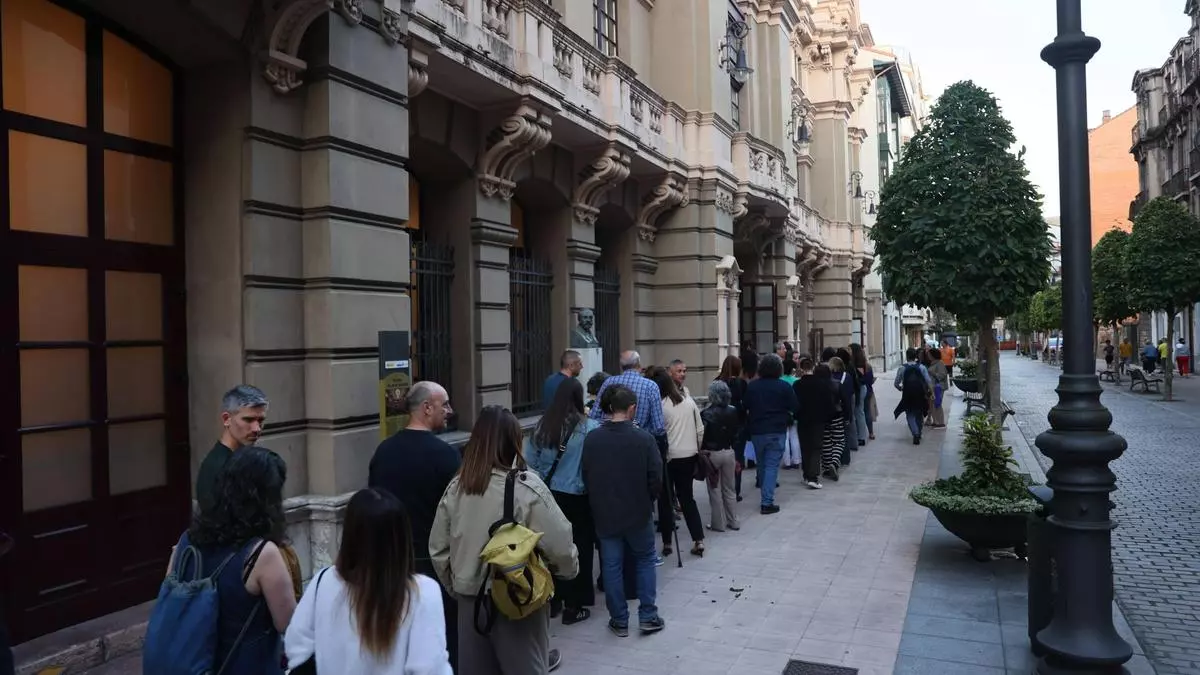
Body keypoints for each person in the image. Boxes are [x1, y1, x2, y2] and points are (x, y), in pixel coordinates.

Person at [429, 406, 578, 675]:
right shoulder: (526, 487)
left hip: (471, 601)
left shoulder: (457, 488)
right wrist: (566, 572)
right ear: (514, 441)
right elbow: (560, 544)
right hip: (519, 597)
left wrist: (459, 586)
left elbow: (439, 548)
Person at [285, 489, 452, 674]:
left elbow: (296, 645)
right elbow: (429, 668)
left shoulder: (323, 581)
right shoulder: (422, 593)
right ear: (401, 538)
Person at [168, 449, 297, 675]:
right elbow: (287, 622)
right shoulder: (262, 554)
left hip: (192, 664)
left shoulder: (186, 541)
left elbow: (169, 594)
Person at [368, 381, 461, 671]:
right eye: (445, 404)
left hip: (389, 564)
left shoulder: (383, 452)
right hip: (433, 566)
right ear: (427, 407)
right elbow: (458, 515)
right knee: (439, 641)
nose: (450, 411)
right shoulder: (446, 456)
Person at [582, 384, 667, 638]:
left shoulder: (593, 439)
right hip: (638, 510)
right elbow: (656, 477)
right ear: (632, 409)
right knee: (645, 560)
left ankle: (619, 619)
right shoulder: (644, 439)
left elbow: (586, 475)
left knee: (611, 566)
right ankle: (648, 615)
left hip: (605, 512)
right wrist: (648, 499)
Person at [524, 378, 600, 625]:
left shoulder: (543, 426)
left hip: (548, 495)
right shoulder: (590, 427)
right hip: (579, 496)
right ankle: (575, 605)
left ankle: (553, 597)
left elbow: (530, 460)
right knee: (580, 548)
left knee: (549, 548)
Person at [648, 367, 705, 557]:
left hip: (669, 457)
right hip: (688, 455)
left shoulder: (660, 406)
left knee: (665, 501)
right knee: (687, 498)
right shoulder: (688, 401)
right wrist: (696, 448)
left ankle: (667, 542)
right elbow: (700, 429)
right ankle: (698, 539)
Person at [196, 385, 269, 515]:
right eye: (248, 420)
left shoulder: (244, 459)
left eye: (260, 420)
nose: (257, 428)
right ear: (226, 419)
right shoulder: (218, 468)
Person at [742, 354, 798, 514]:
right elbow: (795, 407)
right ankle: (766, 501)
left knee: (761, 463)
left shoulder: (753, 386)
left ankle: (763, 486)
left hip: (757, 430)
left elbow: (745, 406)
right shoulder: (784, 387)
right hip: (776, 429)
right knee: (772, 465)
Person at [700, 381, 741, 531]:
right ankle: (733, 521)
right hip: (729, 452)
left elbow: (702, 435)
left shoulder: (706, 413)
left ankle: (718, 524)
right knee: (730, 489)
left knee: (714, 489)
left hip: (712, 454)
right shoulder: (733, 410)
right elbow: (736, 433)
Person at [793, 357, 833, 489]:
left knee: (805, 447)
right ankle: (813, 476)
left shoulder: (797, 385)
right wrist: (828, 417)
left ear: (801, 369)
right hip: (818, 419)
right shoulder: (822, 384)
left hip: (803, 419)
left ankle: (806, 474)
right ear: (813, 368)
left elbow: (794, 403)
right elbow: (828, 402)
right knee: (816, 447)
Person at [715, 355, 748, 502]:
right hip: (738, 425)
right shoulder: (741, 384)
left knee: (720, 458)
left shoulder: (717, 382)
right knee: (737, 459)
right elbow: (745, 405)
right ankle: (735, 490)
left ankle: (722, 488)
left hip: (720, 425)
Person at [894, 348, 934, 445]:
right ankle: (919, 432)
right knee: (919, 413)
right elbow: (928, 381)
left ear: (907, 356)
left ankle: (915, 433)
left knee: (910, 414)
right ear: (915, 356)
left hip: (907, 393)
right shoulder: (921, 367)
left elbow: (896, 383)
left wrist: (900, 388)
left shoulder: (902, 368)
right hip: (920, 393)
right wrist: (932, 392)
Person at [815, 363, 844, 482]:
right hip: (836, 415)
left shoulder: (815, 386)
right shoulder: (837, 384)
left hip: (821, 416)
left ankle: (827, 468)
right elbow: (844, 400)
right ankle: (834, 462)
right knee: (839, 441)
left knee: (826, 441)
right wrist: (847, 415)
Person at [828, 357, 856, 467]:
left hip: (832, 411)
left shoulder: (830, 377)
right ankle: (845, 458)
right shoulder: (847, 376)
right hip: (843, 408)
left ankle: (834, 458)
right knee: (845, 435)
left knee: (832, 437)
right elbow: (850, 395)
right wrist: (848, 415)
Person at [852, 345, 877, 441]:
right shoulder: (867, 365)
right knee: (866, 411)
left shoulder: (855, 366)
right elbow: (870, 379)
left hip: (860, 390)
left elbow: (860, 380)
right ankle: (871, 432)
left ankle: (861, 434)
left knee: (859, 412)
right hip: (869, 390)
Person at [927, 348, 949, 429]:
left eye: (929, 355)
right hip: (933, 387)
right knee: (933, 404)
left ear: (933, 355)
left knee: (937, 403)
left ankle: (940, 422)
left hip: (938, 387)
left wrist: (933, 373)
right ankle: (935, 421)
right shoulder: (933, 363)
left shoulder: (940, 363)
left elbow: (942, 375)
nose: (928, 356)